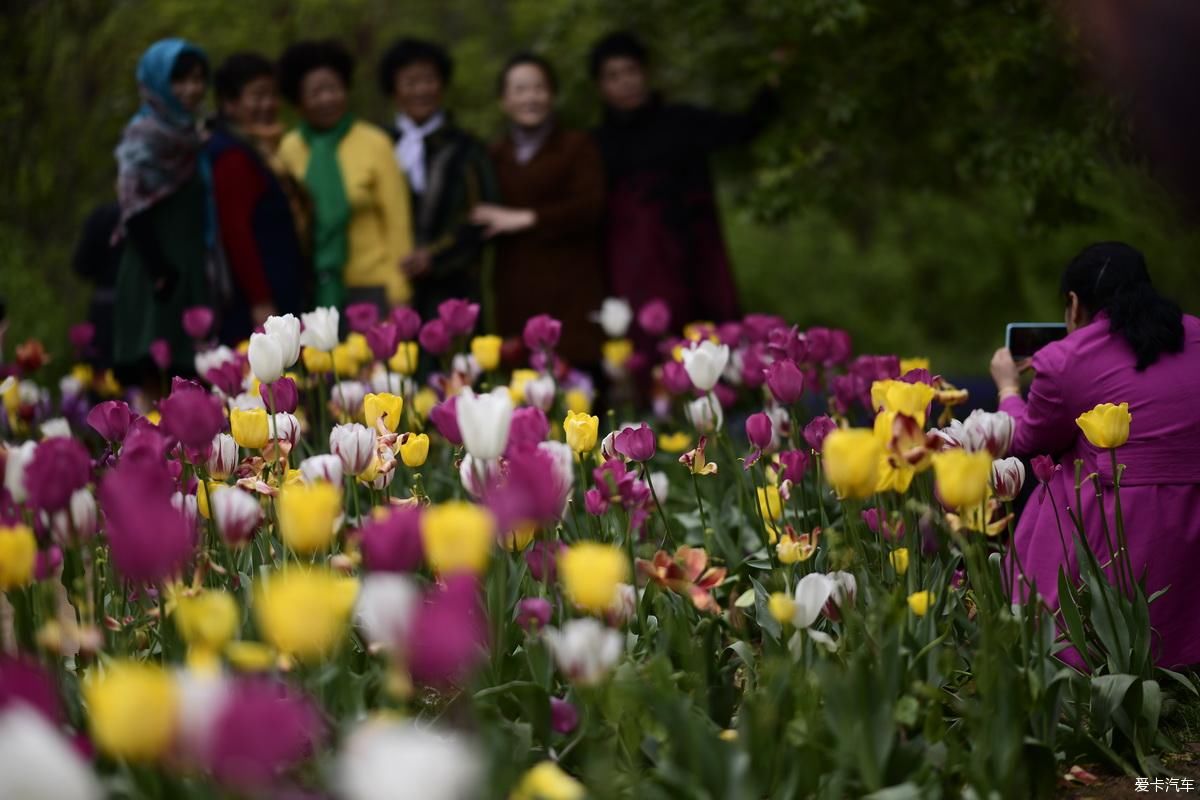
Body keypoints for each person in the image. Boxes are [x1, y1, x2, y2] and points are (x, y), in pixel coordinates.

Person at [991, 242, 1200, 667]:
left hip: (1115, 528)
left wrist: (1009, 389)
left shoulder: (1066, 359)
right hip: (1192, 521)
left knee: (1060, 471)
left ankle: (1073, 636)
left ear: (1073, 303)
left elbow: (1026, 440)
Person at [589, 31, 777, 343]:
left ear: (646, 73)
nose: (626, 82)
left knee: (712, 350)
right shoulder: (595, 146)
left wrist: (775, 76)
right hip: (638, 275)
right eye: (613, 76)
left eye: (632, 71)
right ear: (600, 87)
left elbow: (745, 127)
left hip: (697, 262)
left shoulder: (683, 123)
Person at [473, 53, 605, 366]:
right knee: (524, 389)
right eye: (519, 90)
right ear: (504, 100)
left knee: (576, 388)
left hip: (571, 285)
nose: (530, 97)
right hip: (514, 286)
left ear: (552, 95)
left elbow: (591, 206)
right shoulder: (492, 155)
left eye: (539, 88)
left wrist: (528, 218)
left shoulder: (577, 146)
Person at [278, 39, 413, 313]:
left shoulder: (375, 142)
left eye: (334, 88)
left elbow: (397, 221)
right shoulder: (289, 149)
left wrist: (400, 290)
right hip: (313, 285)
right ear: (299, 101)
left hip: (373, 286)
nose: (327, 98)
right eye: (316, 92)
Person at [112, 38, 215, 383]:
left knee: (192, 376)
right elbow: (132, 208)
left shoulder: (195, 137)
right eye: (181, 80)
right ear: (157, 82)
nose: (192, 89)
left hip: (190, 266)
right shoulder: (142, 136)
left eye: (199, 79)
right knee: (153, 376)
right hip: (155, 271)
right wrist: (160, 272)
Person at [378, 38, 498, 322]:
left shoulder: (467, 147)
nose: (421, 90)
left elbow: (482, 214)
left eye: (429, 80)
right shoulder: (379, 144)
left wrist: (433, 257)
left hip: (453, 288)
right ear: (394, 91)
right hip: (389, 286)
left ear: (442, 85)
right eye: (410, 82)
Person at [209, 52, 307, 342]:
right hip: (258, 303)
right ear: (230, 103)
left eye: (273, 95)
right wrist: (261, 301)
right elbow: (237, 233)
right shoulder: (232, 157)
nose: (268, 105)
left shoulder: (254, 148)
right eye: (257, 96)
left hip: (274, 293)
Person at [71, 200, 124, 368]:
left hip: (103, 308)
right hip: (138, 313)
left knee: (101, 374)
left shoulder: (100, 217)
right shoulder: (152, 215)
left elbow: (81, 266)